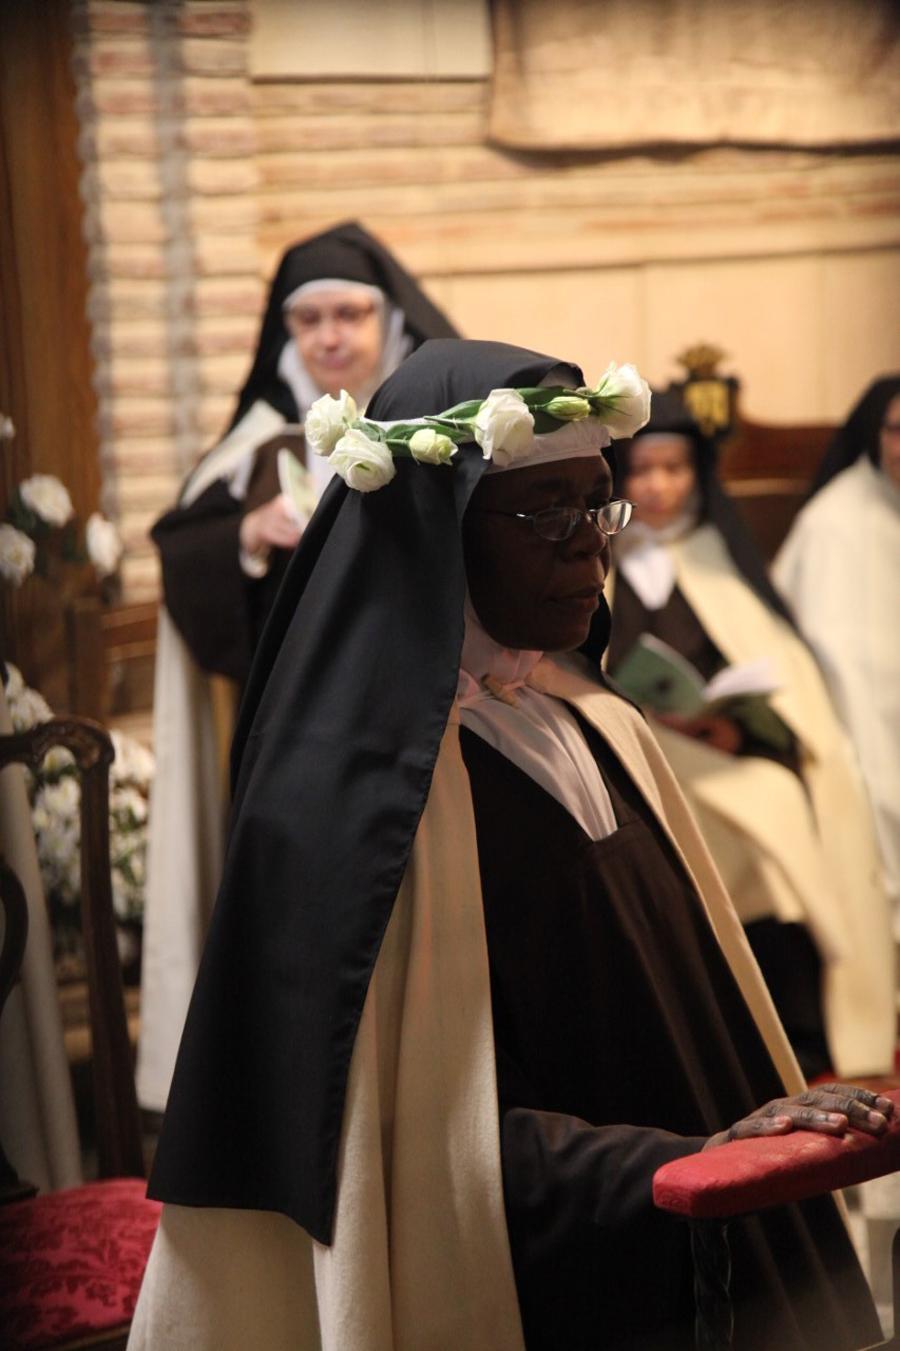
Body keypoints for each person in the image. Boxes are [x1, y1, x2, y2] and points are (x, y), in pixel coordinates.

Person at [129, 341, 884, 1351]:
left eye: (599, 507)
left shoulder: (596, 724)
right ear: (435, 529)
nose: (590, 551)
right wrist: (679, 1157)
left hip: (688, 1237)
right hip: (539, 1279)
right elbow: (417, 1142)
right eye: (546, 515)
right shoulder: (356, 802)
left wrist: (760, 1125)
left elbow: (693, 1019)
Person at [136, 223, 458, 1112]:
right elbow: (185, 550)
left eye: (348, 314)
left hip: (414, 720)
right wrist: (246, 535)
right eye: (307, 320)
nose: (329, 337)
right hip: (297, 739)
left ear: (387, 318)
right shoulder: (262, 443)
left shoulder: (436, 428)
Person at [604, 392, 894, 1082]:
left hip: (726, 747)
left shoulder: (715, 557)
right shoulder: (598, 562)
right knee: (743, 820)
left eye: (675, 468)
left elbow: (784, 685)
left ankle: (799, 1025)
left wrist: (734, 726)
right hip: (637, 750)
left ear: (698, 474)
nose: (660, 486)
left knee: (783, 798)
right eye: (643, 470)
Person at [774, 375, 900, 928]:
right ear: (875, 435)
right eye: (898, 431)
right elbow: (847, 672)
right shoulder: (837, 524)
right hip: (865, 727)